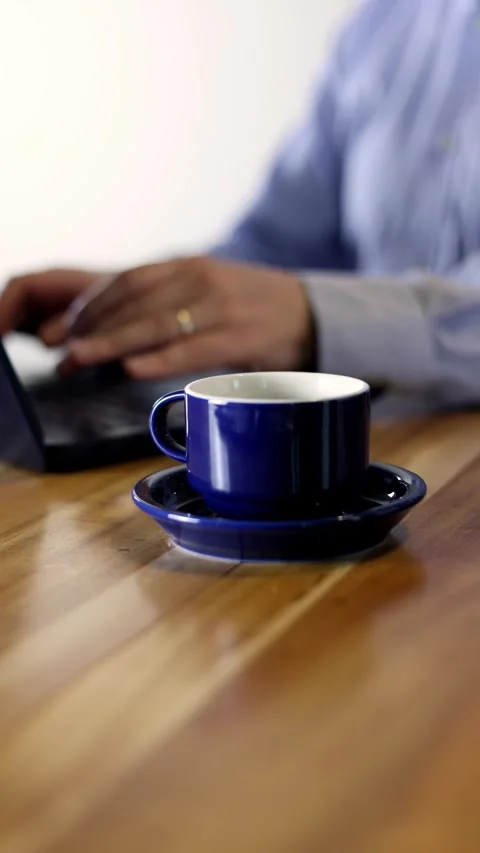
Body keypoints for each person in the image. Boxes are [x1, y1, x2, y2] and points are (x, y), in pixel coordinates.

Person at [2, 0, 480, 405]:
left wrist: (313, 318)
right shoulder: (383, 22)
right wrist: (149, 302)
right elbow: (277, 243)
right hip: (376, 440)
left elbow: (300, 305)